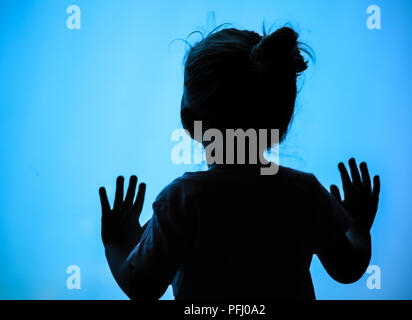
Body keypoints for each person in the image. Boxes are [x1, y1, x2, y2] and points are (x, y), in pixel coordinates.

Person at [99, 26, 381, 300]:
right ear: (281, 121)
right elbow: (348, 268)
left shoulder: (182, 201)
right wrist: (358, 227)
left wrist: (117, 243)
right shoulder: (305, 193)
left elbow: (142, 288)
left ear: (189, 122)